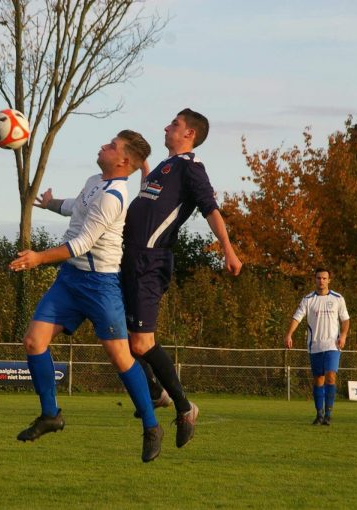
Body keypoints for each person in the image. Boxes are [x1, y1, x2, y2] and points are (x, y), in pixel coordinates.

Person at [10, 130, 164, 462]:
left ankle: (151, 426)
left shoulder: (114, 195)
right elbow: (77, 208)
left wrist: (37, 258)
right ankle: (51, 415)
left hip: (100, 285)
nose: (102, 146)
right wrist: (51, 203)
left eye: (110, 146)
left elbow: (81, 244)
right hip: (70, 280)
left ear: (123, 160)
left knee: (122, 359)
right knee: (34, 342)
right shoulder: (95, 179)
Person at [122, 108, 242, 448]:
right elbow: (153, 203)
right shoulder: (164, 166)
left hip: (149, 261)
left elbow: (210, 208)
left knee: (141, 343)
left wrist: (228, 250)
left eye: (174, 124)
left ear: (189, 134)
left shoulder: (191, 167)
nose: (166, 126)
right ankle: (158, 394)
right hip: (128, 259)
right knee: (114, 334)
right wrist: (145, 170)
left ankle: (183, 406)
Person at [284, 268, 350, 425]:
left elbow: (345, 319)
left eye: (324, 278)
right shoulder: (308, 300)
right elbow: (297, 317)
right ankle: (319, 415)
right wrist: (289, 334)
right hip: (315, 346)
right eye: (319, 278)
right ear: (315, 280)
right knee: (318, 380)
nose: (321, 281)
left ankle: (328, 415)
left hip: (333, 345)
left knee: (331, 376)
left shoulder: (337, 298)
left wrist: (344, 335)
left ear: (329, 280)